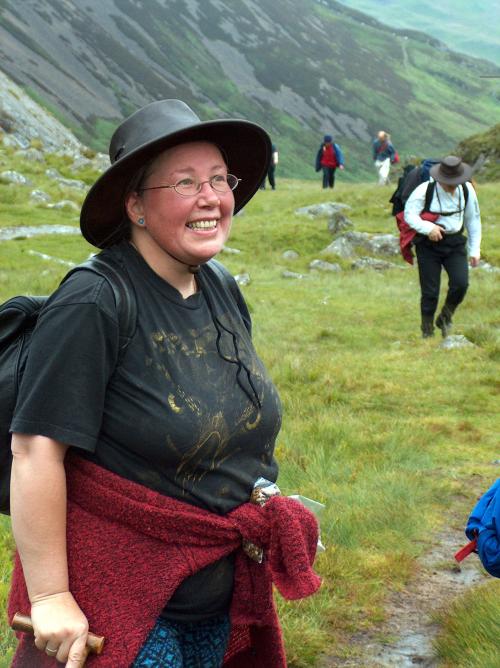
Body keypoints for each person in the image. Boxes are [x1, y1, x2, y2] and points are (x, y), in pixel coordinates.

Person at [8, 99, 320, 667]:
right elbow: (34, 451)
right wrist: (51, 596)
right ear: (135, 205)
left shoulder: (219, 284)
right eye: (184, 182)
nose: (211, 198)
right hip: (123, 600)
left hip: (217, 592)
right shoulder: (94, 300)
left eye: (220, 179)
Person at [404, 155, 481, 338]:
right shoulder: (425, 190)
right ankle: (427, 331)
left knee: (461, 284)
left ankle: (445, 317)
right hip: (428, 246)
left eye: (456, 181)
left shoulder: (467, 189)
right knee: (430, 291)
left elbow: (473, 220)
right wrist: (428, 227)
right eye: (449, 182)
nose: (452, 186)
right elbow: (410, 214)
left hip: (455, 244)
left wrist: (475, 249)